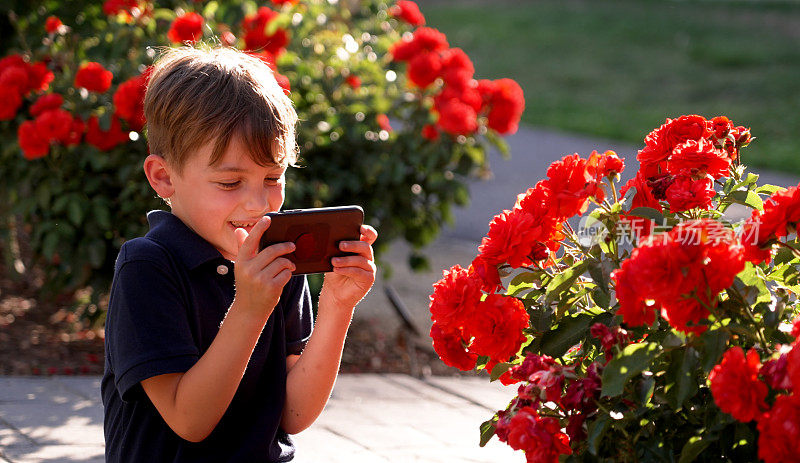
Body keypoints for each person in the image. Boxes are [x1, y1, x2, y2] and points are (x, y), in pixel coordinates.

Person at [100, 45, 377, 462]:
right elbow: (189, 420)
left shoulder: (278, 259)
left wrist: (337, 306)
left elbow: (293, 413)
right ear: (163, 177)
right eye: (230, 183)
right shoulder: (148, 266)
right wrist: (250, 307)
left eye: (273, 177)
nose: (258, 203)